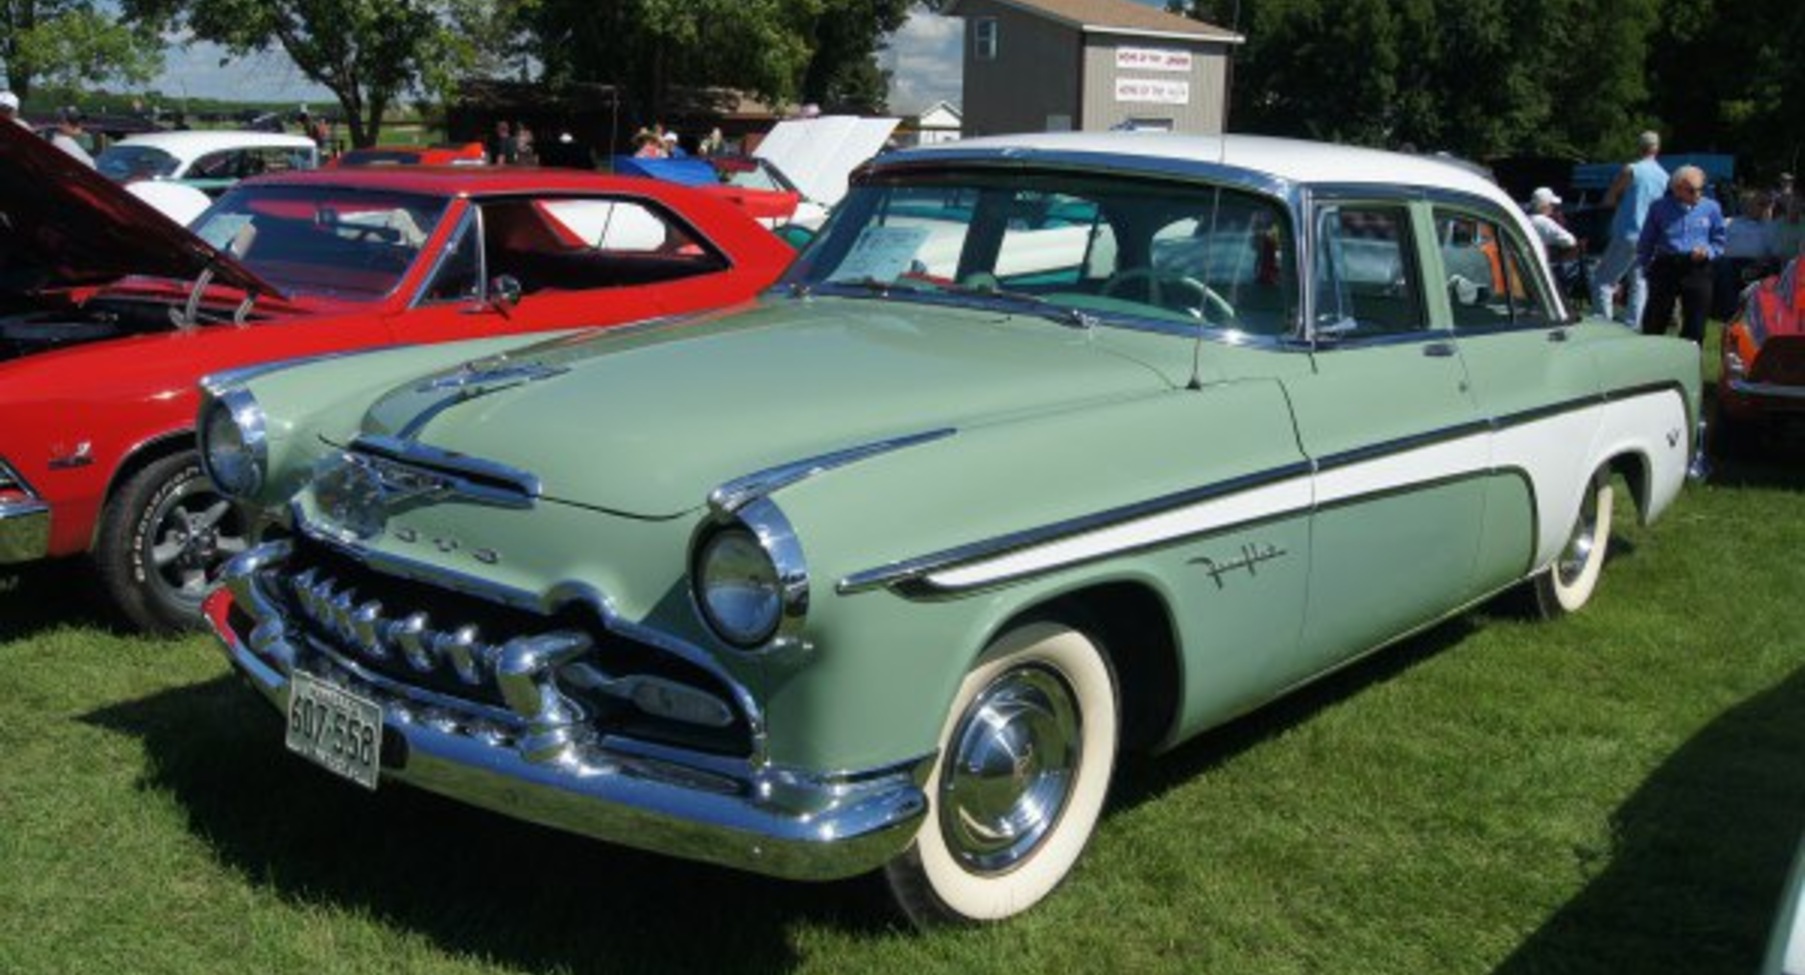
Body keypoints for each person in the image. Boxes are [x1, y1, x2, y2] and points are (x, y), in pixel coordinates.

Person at [1637, 165, 1726, 343]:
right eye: (1692, 190)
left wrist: (1707, 252)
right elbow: (1647, 241)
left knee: (1696, 324)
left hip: (1697, 268)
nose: (1698, 194)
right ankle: (1648, 361)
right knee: (1654, 321)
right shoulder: (1659, 207)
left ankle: (1690, 362)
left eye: (1701, 189)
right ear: (1677, 188)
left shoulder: (1712, 208)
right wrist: (1645, 267)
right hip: (1667, 265)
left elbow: (1719, 241)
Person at [1591, 130, 1667, 327]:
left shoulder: (1631, 170)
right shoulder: (1665, 177)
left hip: (1628, 232)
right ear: (1657, 148)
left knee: (1603, 280)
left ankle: (1602, 324)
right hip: (1650, 236)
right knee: (1639, 283)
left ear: (1639, 146)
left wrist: (1610, 205)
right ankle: (1633, 325)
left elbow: (1610, 197)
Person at [1527, 187, 1578, 251]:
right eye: (1552, 205)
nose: (1553, 208)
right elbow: (1570, 241)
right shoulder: (1543, 221)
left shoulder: (1526, 218)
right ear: (1545, 205)